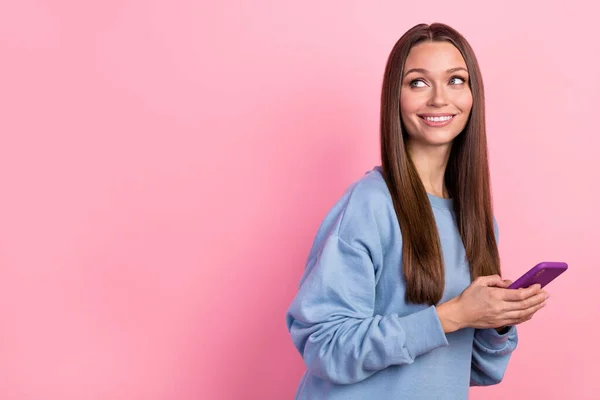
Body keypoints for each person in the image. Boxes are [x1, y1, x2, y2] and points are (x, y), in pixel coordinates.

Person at [285, 22, 549, 400]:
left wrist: (496, 322)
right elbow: (324, 346)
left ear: (474, 94)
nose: (440, 99)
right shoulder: (370, 203)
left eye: (456, 80)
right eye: (419, 83)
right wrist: (454, 314)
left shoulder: (476, 220)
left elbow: (474, 370)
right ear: (396, 97)